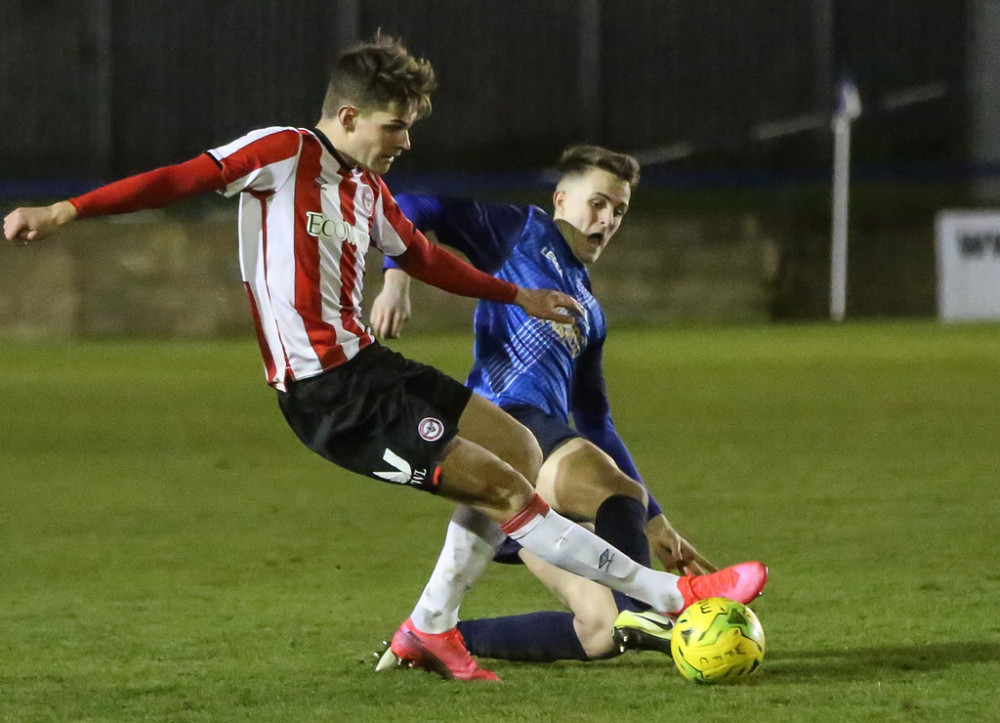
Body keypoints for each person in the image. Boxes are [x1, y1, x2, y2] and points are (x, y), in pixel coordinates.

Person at [4, 36, 766, 683]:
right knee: (505, 487)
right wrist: (64, 210)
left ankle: (432, 625)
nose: (405, 142)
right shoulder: (284, 154)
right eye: (395, 126)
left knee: (519, 447)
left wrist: (516, 294)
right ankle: (670, 595)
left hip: (372, 367)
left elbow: (426, 255)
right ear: (347, 116)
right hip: (327, 394)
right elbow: (178, 179)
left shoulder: (367, 190)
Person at [370, 145, 761, 667]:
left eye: (619, 211)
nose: (608, 219)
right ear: (560, 199)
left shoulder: (590, 312)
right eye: (598, 203)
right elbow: (414, 204)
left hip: (536, 465)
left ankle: (436, 637)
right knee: (617, 492)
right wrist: (397, 275)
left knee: (600, 633)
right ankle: (654, 602)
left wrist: (656, 521)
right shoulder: (522, 231)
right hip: (503, 425)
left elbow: (597, 421)